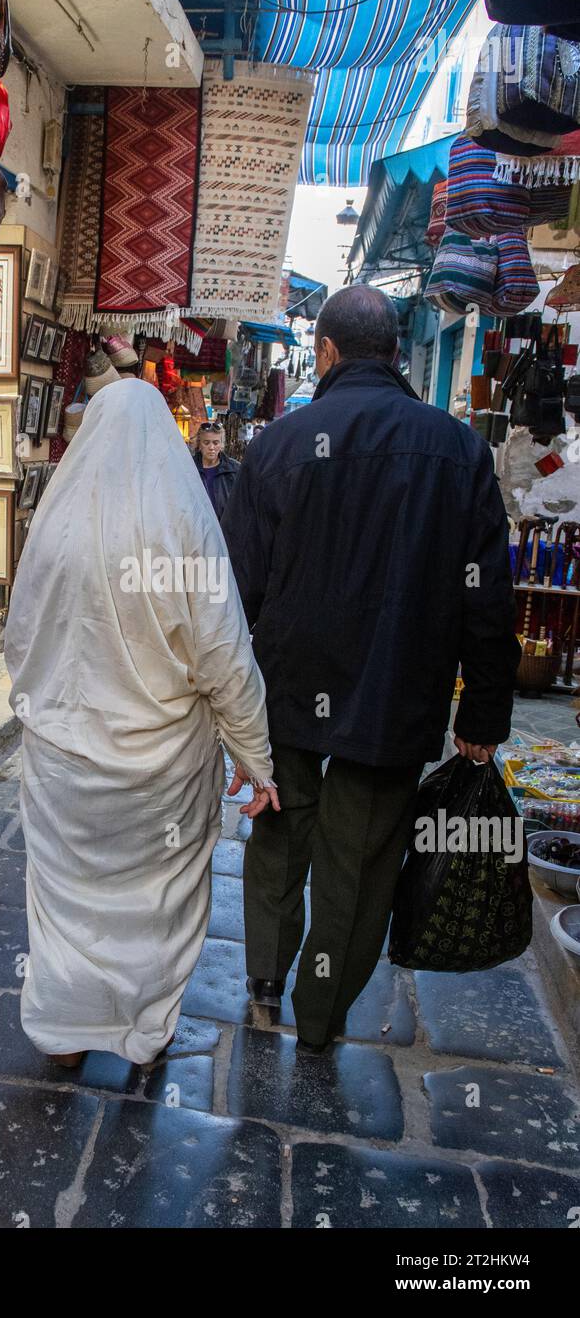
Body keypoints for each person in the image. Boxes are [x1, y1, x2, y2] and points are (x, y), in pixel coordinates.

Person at [221, 285, 521, 1053]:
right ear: (396, 354)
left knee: (281, 836)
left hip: (288, 686)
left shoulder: (282, 446)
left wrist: (225, 699)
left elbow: (237, 589)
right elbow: (489, 597)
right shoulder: (458, 452)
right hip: (395, 692)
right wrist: (483, 715)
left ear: (323, 353)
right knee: (357, 865)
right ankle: (319, 1018)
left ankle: (263, 980)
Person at [5, 378, 278, 1069]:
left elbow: (19, 637)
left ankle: (65, 1037)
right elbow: (223, 655)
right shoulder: (184, 520)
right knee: (157, 905)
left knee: (67, 905)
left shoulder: (55, 520)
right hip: (162, 770)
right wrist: (255, 756)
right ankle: (144, 1035)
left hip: (64, 760)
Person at [193, 420, 240, 520]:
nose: (211, 447)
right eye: (206, 443)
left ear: (222, 445)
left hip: (225, 530)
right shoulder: (189, 469)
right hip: (197, 530)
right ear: (199, 444)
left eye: (216, 443)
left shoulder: (234, 470)